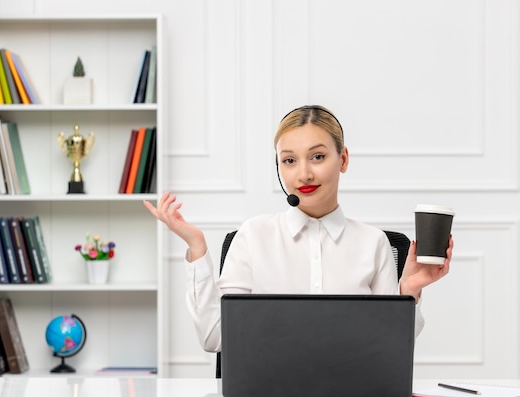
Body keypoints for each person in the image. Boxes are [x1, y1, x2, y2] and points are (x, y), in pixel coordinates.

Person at [144, 105, 453, 353]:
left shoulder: (374, 243)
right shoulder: (253, 236)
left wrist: (408, 292)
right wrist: (197, 250)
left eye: (317, 157)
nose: (303, 174)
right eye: (289, 160)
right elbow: (214, 338)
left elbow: (390, 344)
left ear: (342, 159)